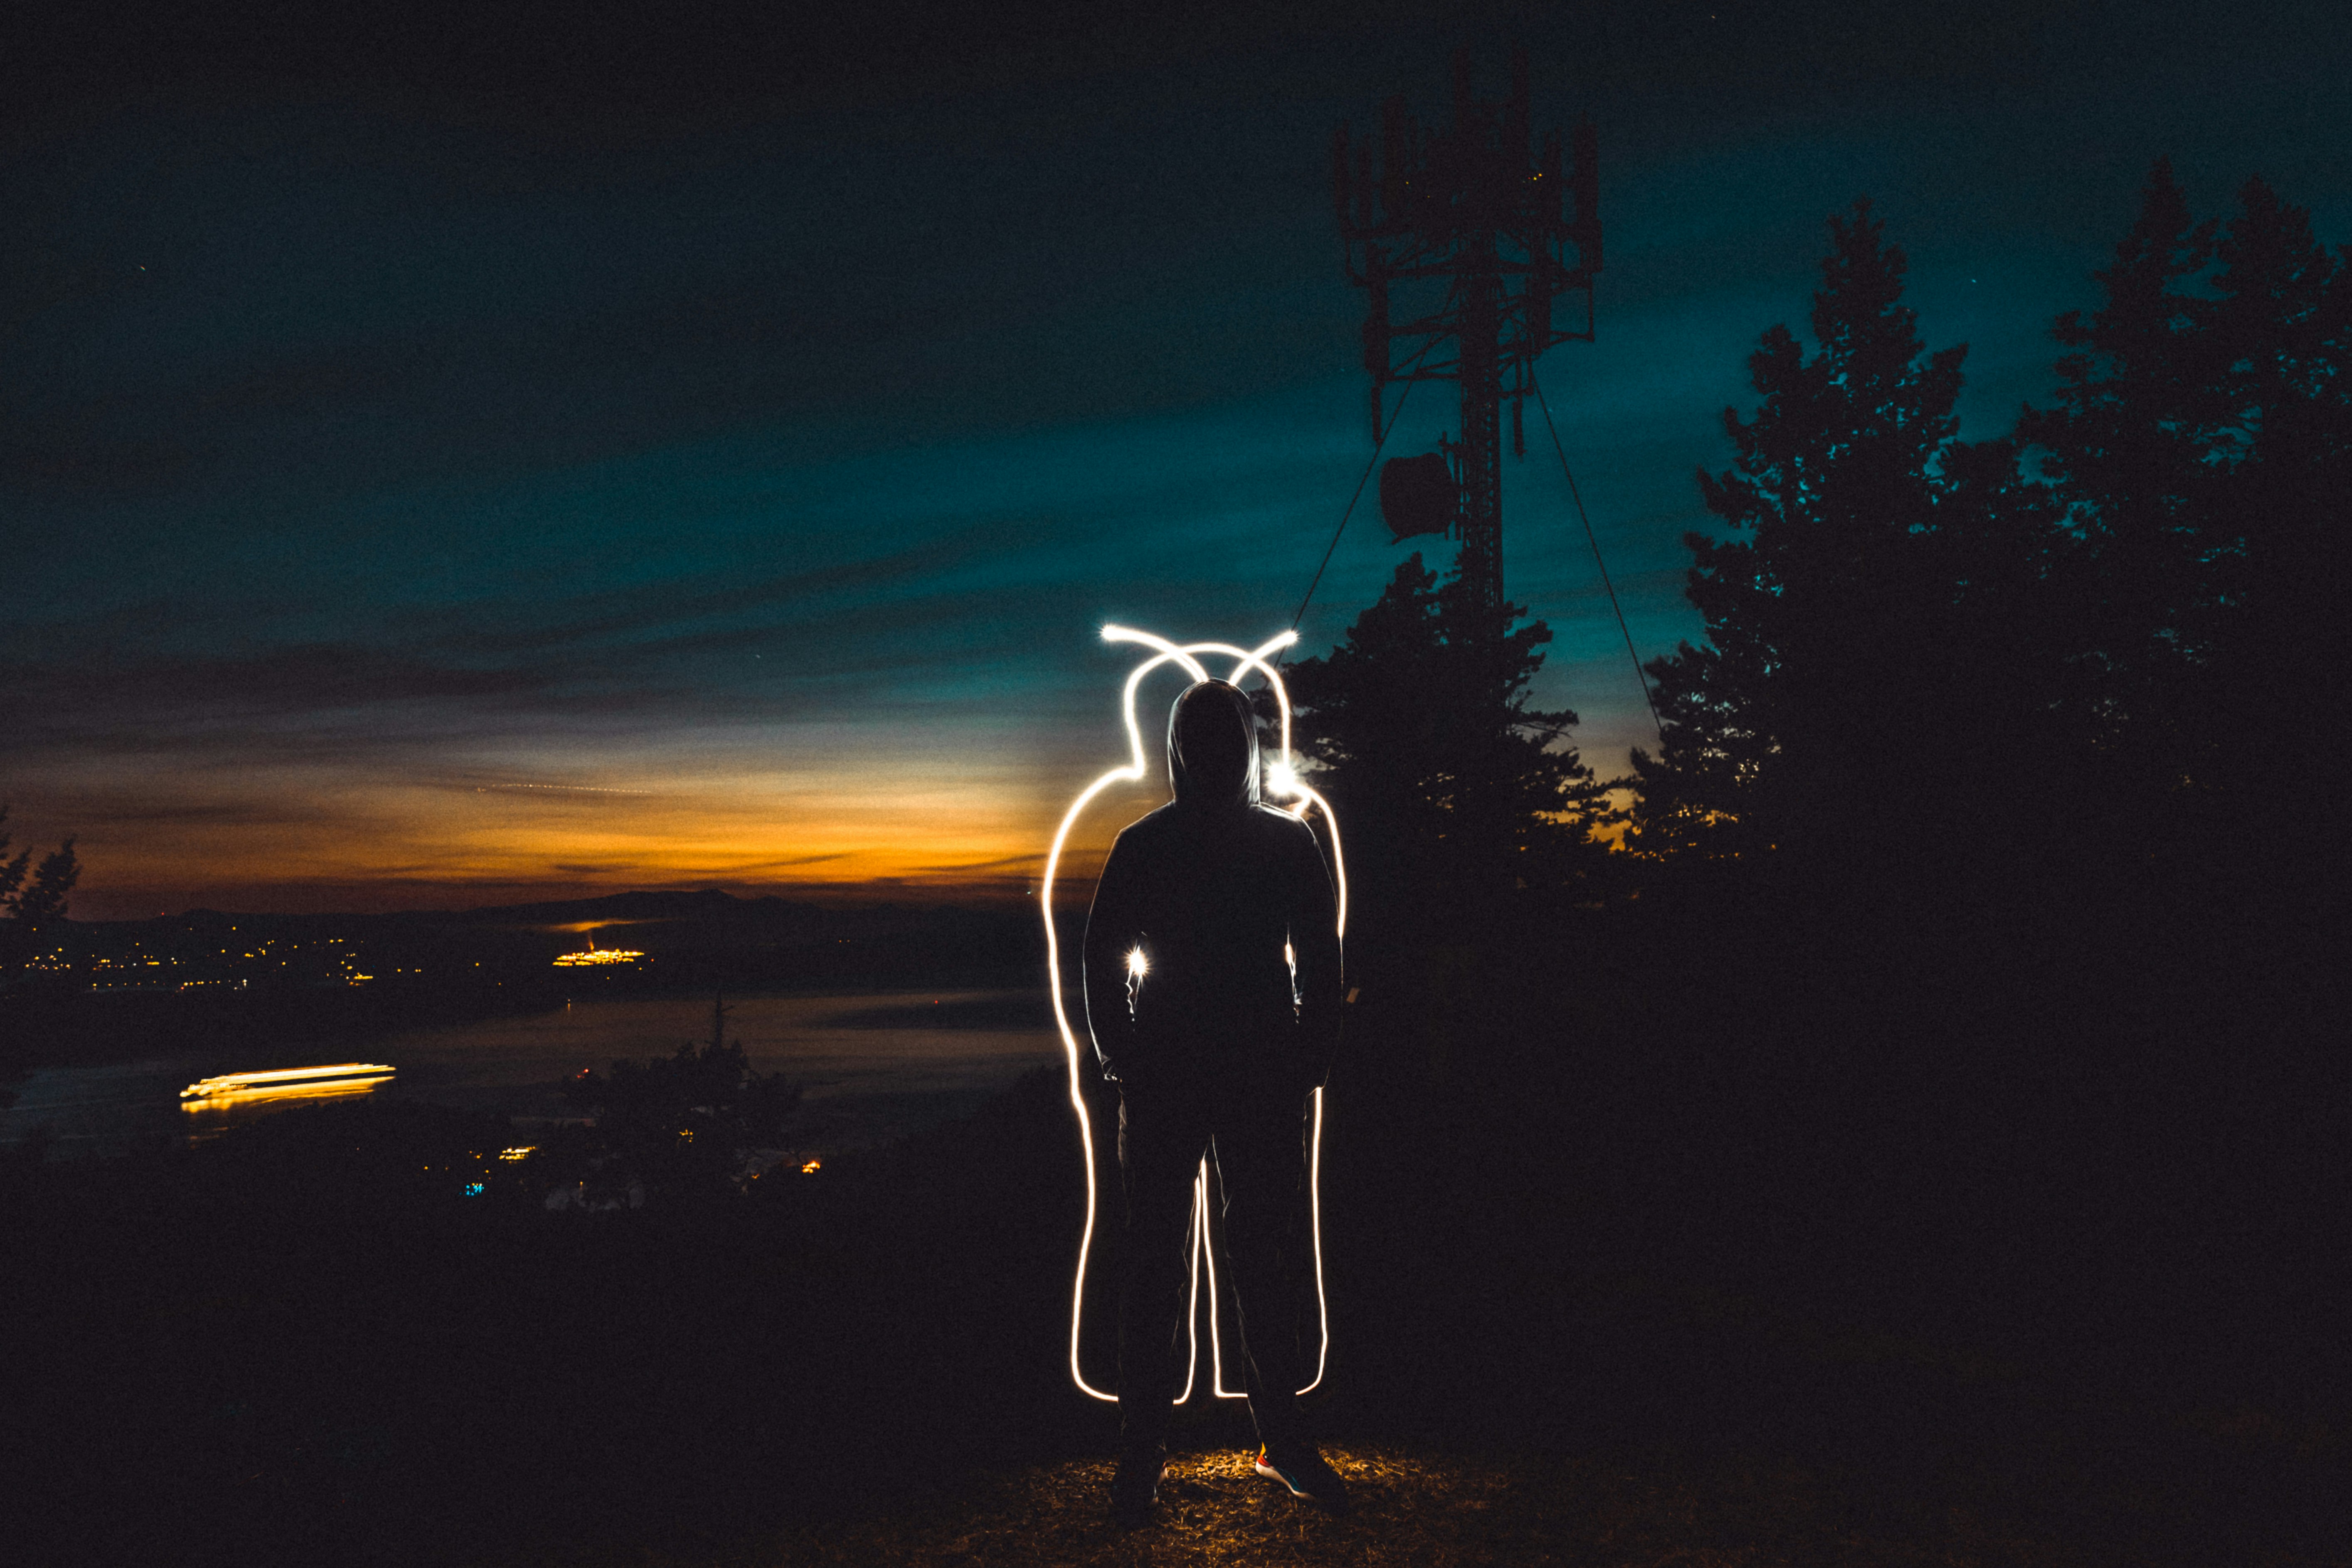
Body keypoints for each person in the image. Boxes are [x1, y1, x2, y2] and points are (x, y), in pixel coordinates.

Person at [1083, 678, 1350, 1527]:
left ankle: (1169, 1447)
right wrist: (1125, 1051)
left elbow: (1318, 953)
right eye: (1203, 737)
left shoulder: (1159, 842)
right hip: (1214, 1069)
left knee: (1213, 1254)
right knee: (1183, 1257)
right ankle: (1191, 1443)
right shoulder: (1270, 843)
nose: (1214, 752)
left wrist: (1126, 1050)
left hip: (1217, 1070)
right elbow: (1101, 953)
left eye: (1223, 736)